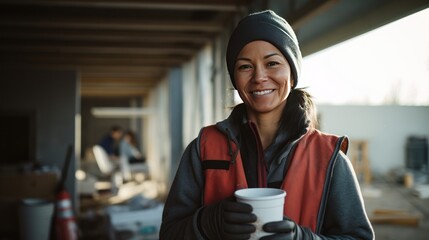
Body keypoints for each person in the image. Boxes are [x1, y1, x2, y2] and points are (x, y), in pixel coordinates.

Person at [160, 10, 374, 240]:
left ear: (292, 75)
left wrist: (303, 238)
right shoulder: (203, 149)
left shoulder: (329, 157)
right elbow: (169, 234)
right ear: (235, 79)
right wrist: (208, 223)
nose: (259, 77)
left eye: (272, 63)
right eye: (245, 66)